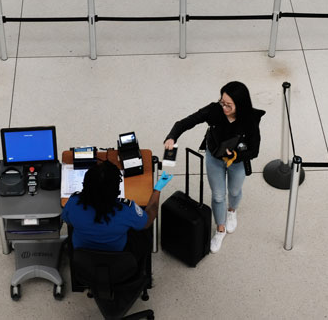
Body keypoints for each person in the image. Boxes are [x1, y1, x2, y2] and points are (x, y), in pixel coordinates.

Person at [163, 81, 264, 253]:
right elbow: (186, 122)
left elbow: (254, 150)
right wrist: (172, 137)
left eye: (228, 105)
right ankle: (220, 229)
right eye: (222, 102)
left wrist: (237, 156)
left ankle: (232, 210)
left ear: (240, 104)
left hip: (237, 161)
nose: (223, 107)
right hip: (214, 157)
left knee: (234, 191)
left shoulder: (249, 120)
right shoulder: (214, 110)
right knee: (218, 196)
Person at [61, 160, 170, 267]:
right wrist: (157, 189)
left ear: (85, 185)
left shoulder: (73, 203)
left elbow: (69, 222)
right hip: (119, 258)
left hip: (83, 258)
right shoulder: (127, 209)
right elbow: (148, 220)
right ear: (116, 189)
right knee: (144, 231)